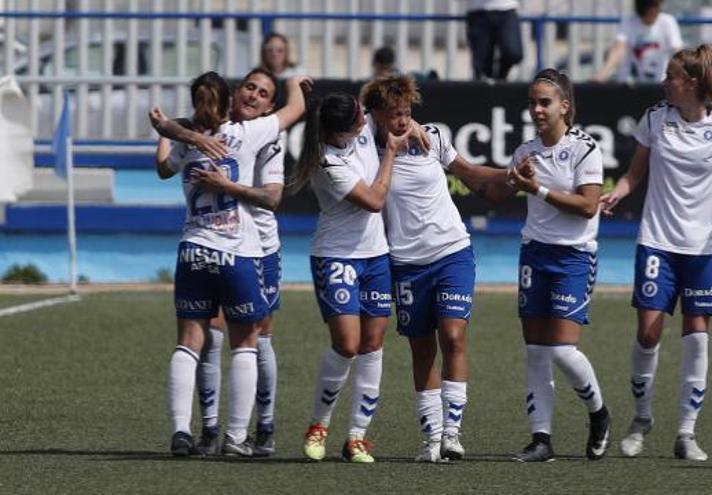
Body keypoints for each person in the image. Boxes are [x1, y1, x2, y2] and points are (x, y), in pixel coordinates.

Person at [599, 44, 712, 462]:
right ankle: (642, 418)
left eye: (671, 76)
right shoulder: (655, 118)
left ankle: (686, 432)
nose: (664, 81)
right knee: (648, 331)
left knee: (696, 334)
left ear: (692, 83)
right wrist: (617, 195)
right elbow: (634, 175)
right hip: (657, 242)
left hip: (701, 248)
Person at [151, 70, 308, 457]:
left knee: (193, 341)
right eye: (248, 88)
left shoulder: (191, 142)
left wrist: (173, 130)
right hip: (238, 251)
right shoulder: (248, 134)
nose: (254, 95)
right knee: (245, 342)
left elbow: (163, 168)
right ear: (233, 97)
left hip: (199, 249)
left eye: (262, 92)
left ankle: (186, 431)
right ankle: (232, 436)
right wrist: (295, 82)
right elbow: (298, 108)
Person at [360, 74, 508, 462]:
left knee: (454, 336)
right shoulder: (365, 153)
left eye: (406, 112)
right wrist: (388, 150)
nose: (402, 121)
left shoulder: (432, 138)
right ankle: (431, 438)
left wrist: (512, 177)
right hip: (406, 263)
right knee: (422, 350)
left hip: (452, 251)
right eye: (393, 114)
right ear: (374, 114)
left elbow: (471, 173)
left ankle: (453, 435)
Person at [496, 68, 611, 463]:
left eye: (544, 102)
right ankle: (541, 439)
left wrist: (537, 188)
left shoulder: (585, 148)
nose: (537, 109)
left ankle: (598, 412)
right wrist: (514, 182)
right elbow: (504, 191)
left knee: (563, 350)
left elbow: (588, 206)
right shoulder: (524, 151)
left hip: (574, 256)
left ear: (565, 106)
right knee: (536, 352)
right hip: (535, 253)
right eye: (532, 102)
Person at [292, 93, 414, 464]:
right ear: (338, 133)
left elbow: (385, 101)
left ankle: (357, 437)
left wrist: (411, 122)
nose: (365, 125)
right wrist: (390, 152)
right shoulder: (326, 163)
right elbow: (375, 200)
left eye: (363, 117)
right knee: (348, 344)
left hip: (376, 256)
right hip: (336, 256)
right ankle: (319, 425)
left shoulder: (357, 125)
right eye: (358, 123)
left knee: (373, 344)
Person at [592, 0, 683, 83]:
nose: (657, 9)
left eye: (658, 4)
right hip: (629, 86)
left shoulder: (668, 22)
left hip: (658, 84)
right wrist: (601, 75)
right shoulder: (628, 21)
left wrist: (684, 74)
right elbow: (618, 50)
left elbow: (677, 50)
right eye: (653, 5)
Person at [465, 0, 524, 81]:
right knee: (482, 63)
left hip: (507, 9)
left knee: (513, 53)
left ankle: (501, 78)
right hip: (478, 12)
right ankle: (487, 88)